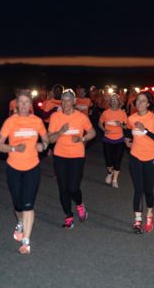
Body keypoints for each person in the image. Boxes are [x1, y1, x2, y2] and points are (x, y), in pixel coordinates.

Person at [0, 91, 49, 254]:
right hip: (14, 167)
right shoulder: (10, 122)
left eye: (27, 102)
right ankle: (20, 220)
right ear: (16, 104)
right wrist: (14, 148)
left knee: (28, 204)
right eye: (21, 102)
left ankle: (26, 241)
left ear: (30, 104)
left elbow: (46, 139)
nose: (24, 105)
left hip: (32, 167)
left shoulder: (37, 121)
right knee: (18, 204)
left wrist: (43, 145)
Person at [48, 89, 96, 229]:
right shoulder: (55, 117)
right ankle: (68, 216)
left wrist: (82, 138)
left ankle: (80, 205)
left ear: (74, 101)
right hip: (60, 155)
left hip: (77, 156)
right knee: (63, 189)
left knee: (73, 188)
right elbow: (50, 139)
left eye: (68, 100)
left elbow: (92, 132)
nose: (65, 103)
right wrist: (61, 131)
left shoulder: (81, 117)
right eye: (63, 100)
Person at [124, 91, 154, 233]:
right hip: (135, 157)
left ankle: (150, 215)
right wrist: (126, 140)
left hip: (151, 158)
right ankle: (137, 221)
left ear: (148, 104)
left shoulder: (153, 118)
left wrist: (145, 130)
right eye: (138, 101)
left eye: (143, 101)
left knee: (148, 190)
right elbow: (128, 133)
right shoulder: (131, 118)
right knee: (138, 189)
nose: (139, 103)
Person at [98, 93, 127, 187]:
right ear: (110, 102)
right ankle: (110, 173)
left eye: (116, 100)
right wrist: (104, 130)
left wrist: (121, 125)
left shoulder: (122, 113)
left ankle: (115, 180)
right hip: (108, 139)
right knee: (109, 161)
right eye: (112, 100)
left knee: (117, 161)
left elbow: (127, 126)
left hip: (119, 140)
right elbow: (99, 123)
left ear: (119, 102)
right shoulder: (106, 112)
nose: (114, 102)